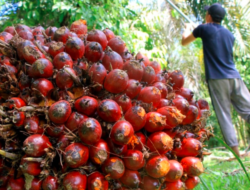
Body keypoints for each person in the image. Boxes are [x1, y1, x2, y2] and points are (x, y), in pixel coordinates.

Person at [181, 3, 250, 157]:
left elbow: (184, 41)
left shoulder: (203, 28)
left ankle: (237, 154)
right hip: (235, 77)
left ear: (209, 16)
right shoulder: (229, 35)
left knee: (224, 114)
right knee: (248, 110)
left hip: (218, 79)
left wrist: (187, 27)